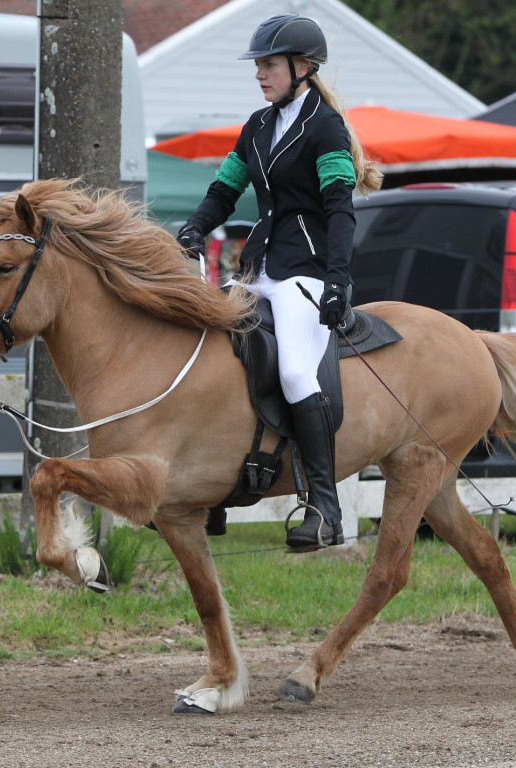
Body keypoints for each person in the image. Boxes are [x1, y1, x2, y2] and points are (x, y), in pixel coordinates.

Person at [177, 14, 383, 551]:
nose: (259, 74)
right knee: (211, 357)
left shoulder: (326, 128)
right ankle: (209, 492)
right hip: (255, 270)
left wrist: (337, 280)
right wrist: (196, 226)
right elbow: (225, 191)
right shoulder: (257, 126)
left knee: (294, 372)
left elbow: (339, 209)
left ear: (302, 67)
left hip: (306, 274)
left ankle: (325, 509)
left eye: (268, 65)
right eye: (258, 66)